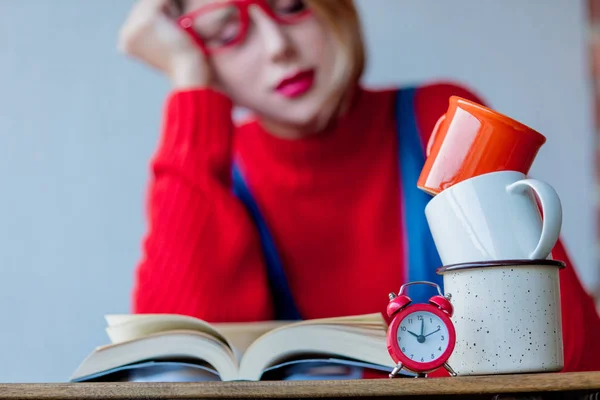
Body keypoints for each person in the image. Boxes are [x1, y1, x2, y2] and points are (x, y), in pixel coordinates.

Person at [118, 0, 600, 373]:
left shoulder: (441, 123)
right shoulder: (214, 172)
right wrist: (190, 89)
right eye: (225, 31)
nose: (275, 47)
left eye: (291, 7)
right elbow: (182, 369)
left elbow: (564, 352)